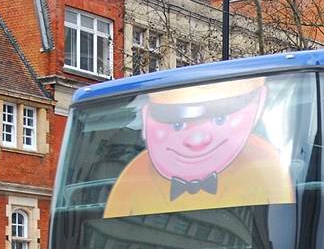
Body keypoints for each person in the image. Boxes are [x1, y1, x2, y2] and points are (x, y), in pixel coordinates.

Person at [103, 77, 295, 219]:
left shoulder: (265, 163)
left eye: (220, 118)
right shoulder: (136, 175)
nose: (195, 140)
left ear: (259, 105)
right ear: (146, 118)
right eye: (176, 124)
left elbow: (282, 231)